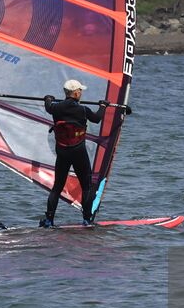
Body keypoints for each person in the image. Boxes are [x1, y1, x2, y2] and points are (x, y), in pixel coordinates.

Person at [40, 79, 127, 228]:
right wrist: (103, 106)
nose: (81, 93)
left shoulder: (55, 108)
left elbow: (48, 105)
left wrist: (48, 98)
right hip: (78, 151)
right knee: (86, 186)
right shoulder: (82, 110)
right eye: (80, 90)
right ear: (75, 93)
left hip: (62, 151)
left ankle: (49, 220)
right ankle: (87, 220)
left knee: (57, 187)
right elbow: (97, 119)